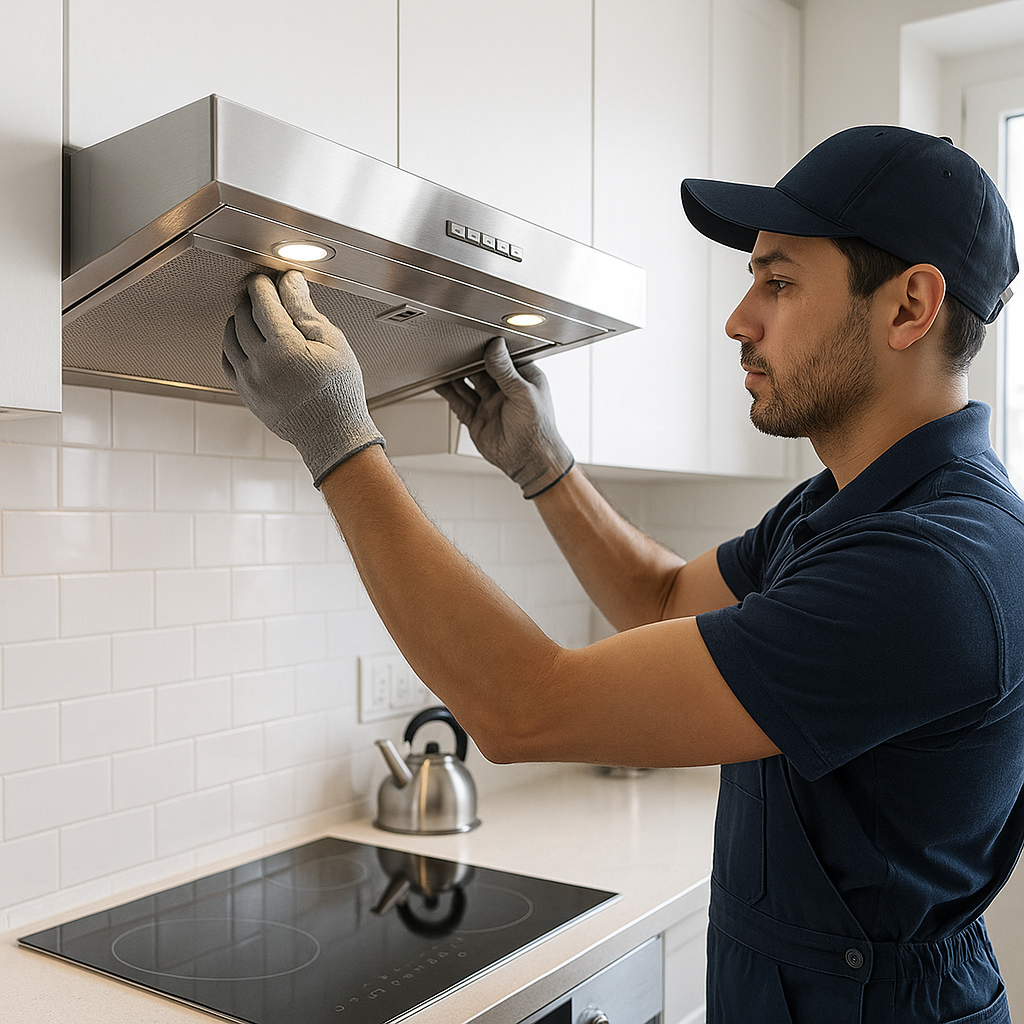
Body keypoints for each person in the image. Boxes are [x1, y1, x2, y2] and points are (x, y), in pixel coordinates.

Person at [222, 125, 1024, 1023]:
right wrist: (546, 468)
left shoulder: (933, 567)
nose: (739, 319)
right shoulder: (847, 505)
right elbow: (664, 601)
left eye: (779, 281)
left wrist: (336, 437)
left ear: (910, 308)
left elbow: (523, 708)